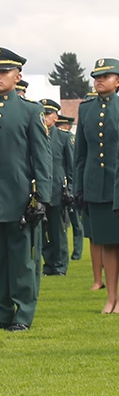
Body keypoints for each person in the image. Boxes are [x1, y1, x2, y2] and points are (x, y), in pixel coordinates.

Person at [0, 48, 51, 332]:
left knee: (22, 262)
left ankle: (23, 314)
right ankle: (2, 314)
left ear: (18, 76)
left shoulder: (31, 111)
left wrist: (41, 197)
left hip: (20, 200)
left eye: (3, 72)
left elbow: (42, 159)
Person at [77, 59, 119, 312]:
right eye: (96, 76)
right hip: (98, 186)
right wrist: (79, 187)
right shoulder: (87, 109)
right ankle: (111, 298)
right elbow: (81, 154)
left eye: (106, 75)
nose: (99, 80)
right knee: (107, 243)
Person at [40, 99, 73, 276]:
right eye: (42, 114)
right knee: (43, 231)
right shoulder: (34, 135)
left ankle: (60, 265)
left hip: (56, 191)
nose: (44, 118)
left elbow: (71, 166)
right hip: (38, 192)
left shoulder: (63, 137)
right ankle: (49, 264)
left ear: (56, 116)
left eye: (48, 114)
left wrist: (71, 190)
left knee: (58, 231)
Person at [56, 115, 84, 263]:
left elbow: (72, 165)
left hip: (69, 187)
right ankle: (63, 252)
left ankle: (77, 252)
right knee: (61, 224)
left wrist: (73, 187)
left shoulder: (68, 138)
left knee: (76, 223)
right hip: (59, 188)